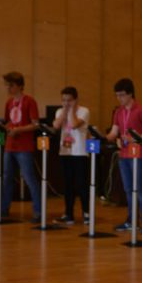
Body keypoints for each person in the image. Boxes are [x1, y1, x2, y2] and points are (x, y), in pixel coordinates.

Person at [105, 78, 142, 233]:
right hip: (124, 155)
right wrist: (101, 137)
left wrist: (136, 138)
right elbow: (114, 132)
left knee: (139, 188)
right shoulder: (118, 112)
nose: (119, 98)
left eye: (122, 95)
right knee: (127, 189)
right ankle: (131, 220)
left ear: (130, 94)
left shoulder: (141, 110)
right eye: (117, 95)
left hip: (138, 154)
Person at [0, 71, 42, 223]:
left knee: (29, 178)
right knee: (7, 178)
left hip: (24, 147)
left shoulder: (30, 101)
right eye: (8, 85)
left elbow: (36, 124)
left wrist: (18, 130)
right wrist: (4, 127)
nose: (8, 88)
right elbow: (7, 121)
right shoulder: (9, 102)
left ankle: (38, 211)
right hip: (9, 146)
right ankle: (3, 209)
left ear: (20, 86)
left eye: (11, 85)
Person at [52, 86, 90, 225]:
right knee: (68, 184)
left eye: (69, 100)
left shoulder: (84, 111)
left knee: (81, 184)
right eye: (63, 100)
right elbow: (56, 125)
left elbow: (74, 124)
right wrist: (65, 111)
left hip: (79, 152)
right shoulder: (59, 111)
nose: (66, 103)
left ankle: (86, 212)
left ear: (75, 99)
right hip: (65, 151)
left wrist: (72, 110)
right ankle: (68, 214)